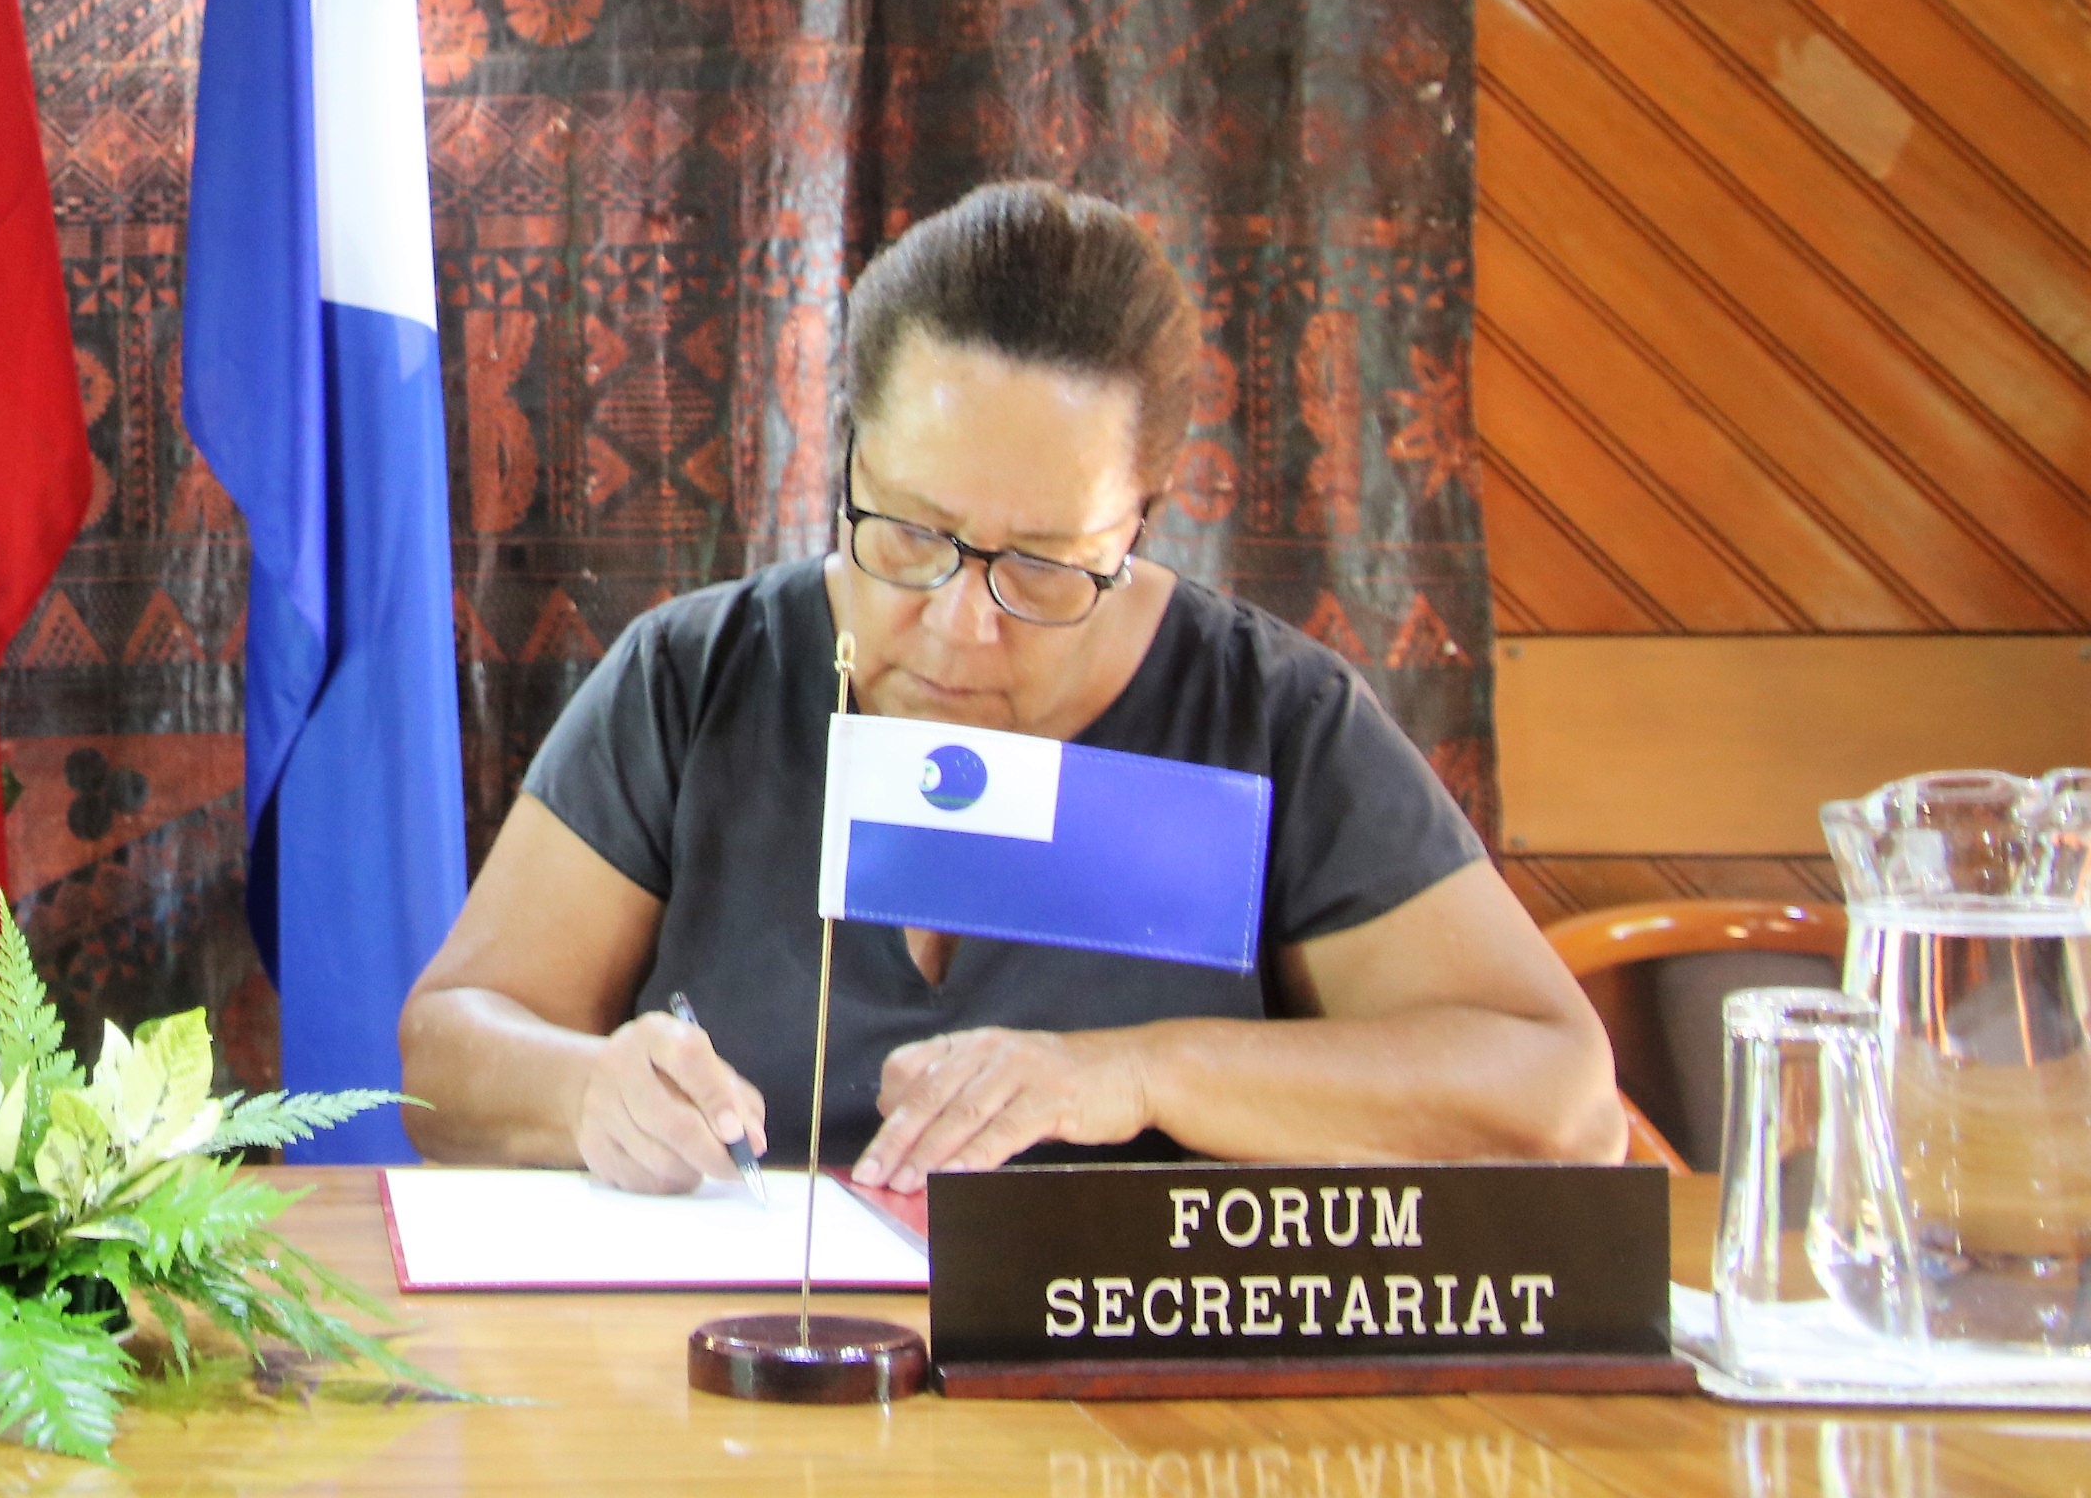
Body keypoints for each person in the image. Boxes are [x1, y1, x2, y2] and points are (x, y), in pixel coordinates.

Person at [400, 179, 1618, 1194]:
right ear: (846, 458)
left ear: (1139, 524)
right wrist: (586, 1089)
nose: (960, 625)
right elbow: (448, 1049)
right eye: (909, 532)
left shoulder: (1273, 721)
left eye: (1041, 565)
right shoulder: (692, 680)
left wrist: (1138, 1072)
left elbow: (1561, 1102)